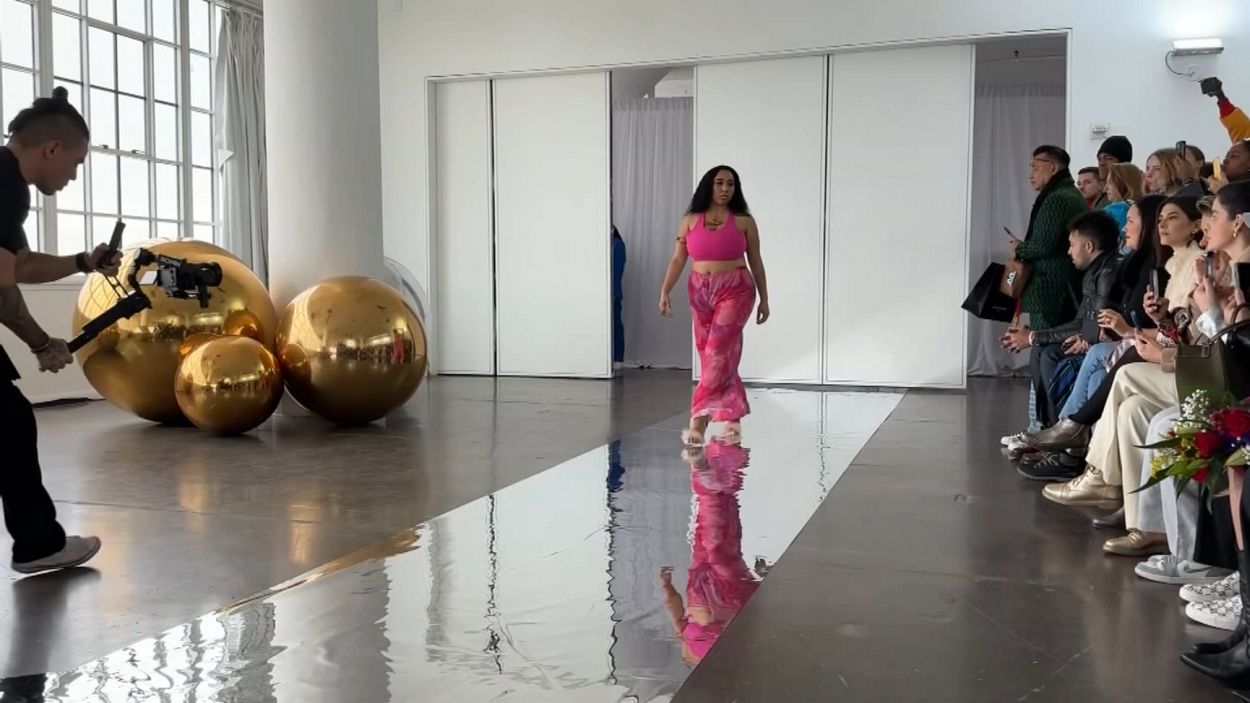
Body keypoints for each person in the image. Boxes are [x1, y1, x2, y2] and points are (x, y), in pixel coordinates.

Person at [1, 88, 117, 575]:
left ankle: (37, 543)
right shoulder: (6, 183)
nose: (72, 176)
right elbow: (2, 284)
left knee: (9, 422)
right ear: (52, 148)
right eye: (76, 163)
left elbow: (20, 264)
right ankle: (38, 544)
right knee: (9, 422)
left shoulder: (6, 180)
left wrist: (82, 262)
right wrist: (40, 342)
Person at [659, 165, 770, 446]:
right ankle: (732, 417)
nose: (725, 189)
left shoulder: (744, 221)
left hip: (736, 289)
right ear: (709, 186)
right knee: (713, 357)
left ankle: (699, 419)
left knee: (717, 352)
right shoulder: (690, 220)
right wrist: (665, 290)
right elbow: (678, 259)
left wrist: (765, 298)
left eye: (730, 184)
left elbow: (756, 261)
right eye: (719, 183)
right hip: (699, 290)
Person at [1093, 136, 1133, 210]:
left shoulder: (1128, 195)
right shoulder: (1102, 193)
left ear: (1122, 163)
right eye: (1099, 159)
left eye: (1108, 158)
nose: (1102, 163)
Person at [611, 226, 626, 370]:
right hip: (600, 293)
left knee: (616, 324)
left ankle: (618, 358)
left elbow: (617, 271)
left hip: (613, 292)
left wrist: (614, 293)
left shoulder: (617, 245)